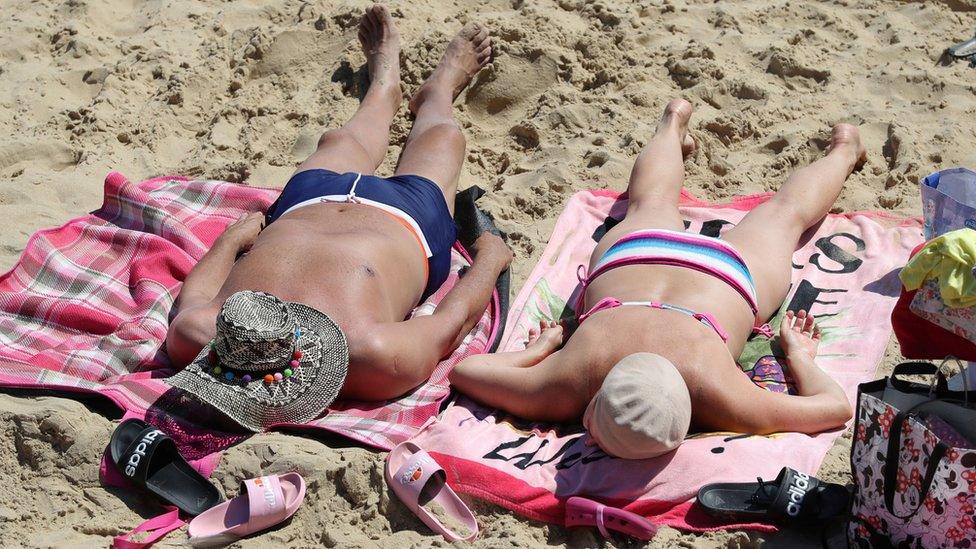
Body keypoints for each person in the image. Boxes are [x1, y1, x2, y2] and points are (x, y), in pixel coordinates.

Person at [449, 99, 861, 458]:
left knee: (781, 216)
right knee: (673, 204)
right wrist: (542, 352)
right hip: (634, 261)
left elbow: (833, 407)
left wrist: (800, 357)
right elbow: (470, 371)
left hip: (721, 280)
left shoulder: (719, 397)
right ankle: (675, 122)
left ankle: (840, 148)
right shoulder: (568, 382)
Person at [166, 5, 510, 404]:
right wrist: (490, 260)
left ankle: (385, 88)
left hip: (306, 205)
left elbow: (194, 297)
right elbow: (450, 324)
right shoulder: (372, 358)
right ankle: (439, 91)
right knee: (442, 140)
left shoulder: (199, 338)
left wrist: (229, 241)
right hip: (408, 223)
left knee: (339, 141)